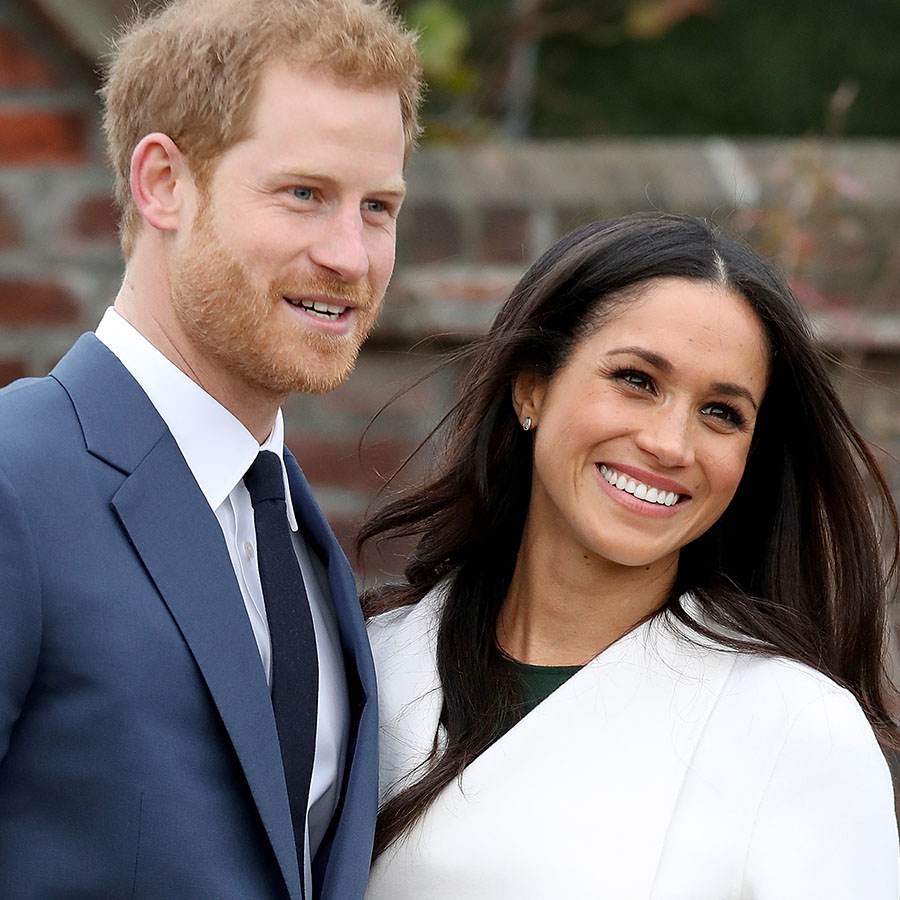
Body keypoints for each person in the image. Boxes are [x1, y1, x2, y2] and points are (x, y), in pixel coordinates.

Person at [0, 0, 421, 898]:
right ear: (163, 184)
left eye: (378, 207)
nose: (351, 254)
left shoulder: (298, 538)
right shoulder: (15, 479)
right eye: (304, 193)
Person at [360, 212, 900, 899]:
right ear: (532, 387)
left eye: (722, 413)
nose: (671, 444)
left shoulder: (793, 727)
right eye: (637, 380)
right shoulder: (368, 664)